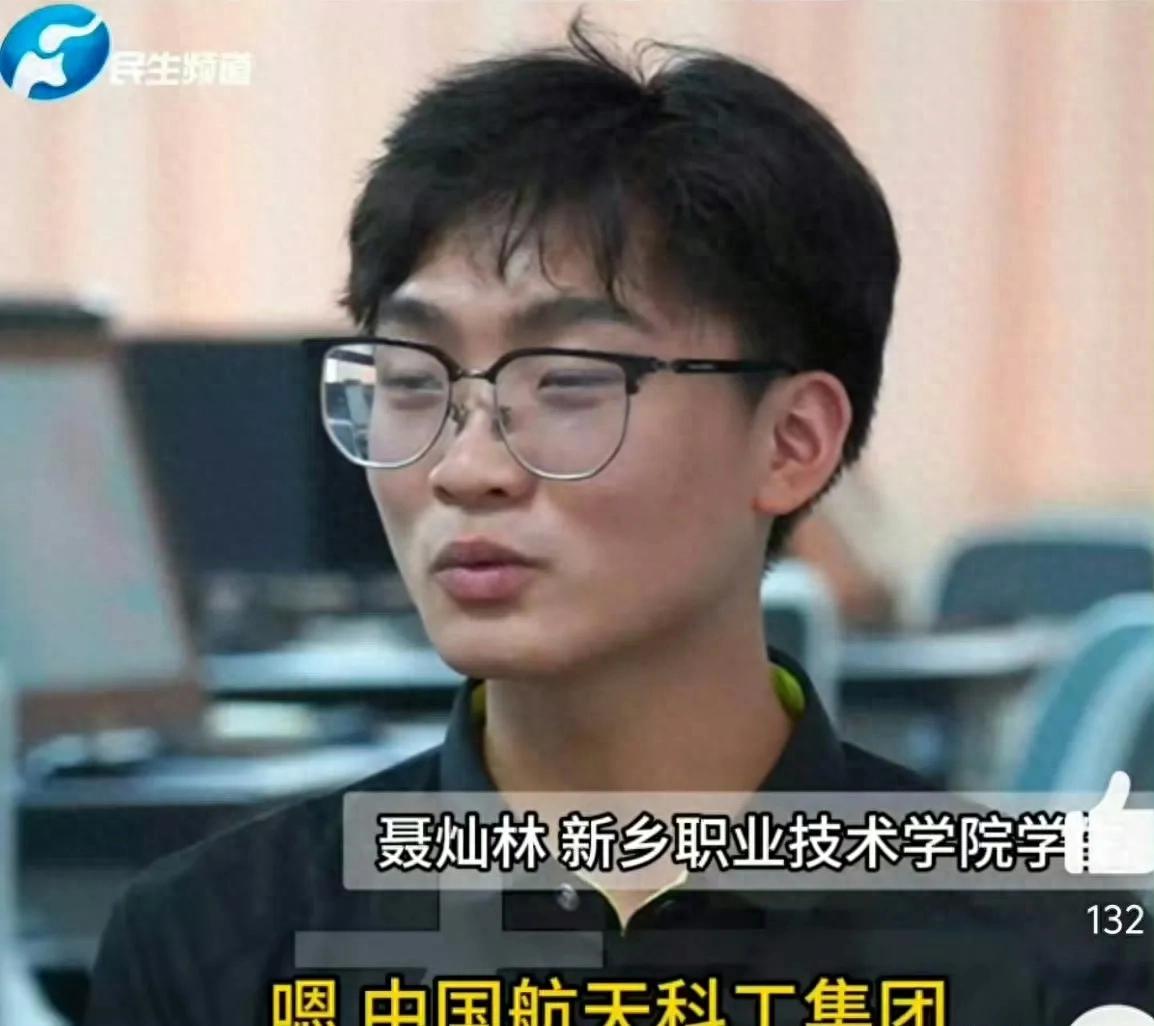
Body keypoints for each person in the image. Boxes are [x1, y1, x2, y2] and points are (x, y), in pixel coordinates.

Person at [85, 17, 1150, 1026]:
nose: (465, 468)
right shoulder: (214, 948)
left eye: (568, 382)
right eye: (412, 379)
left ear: (790, 443)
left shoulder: (1058, 956)